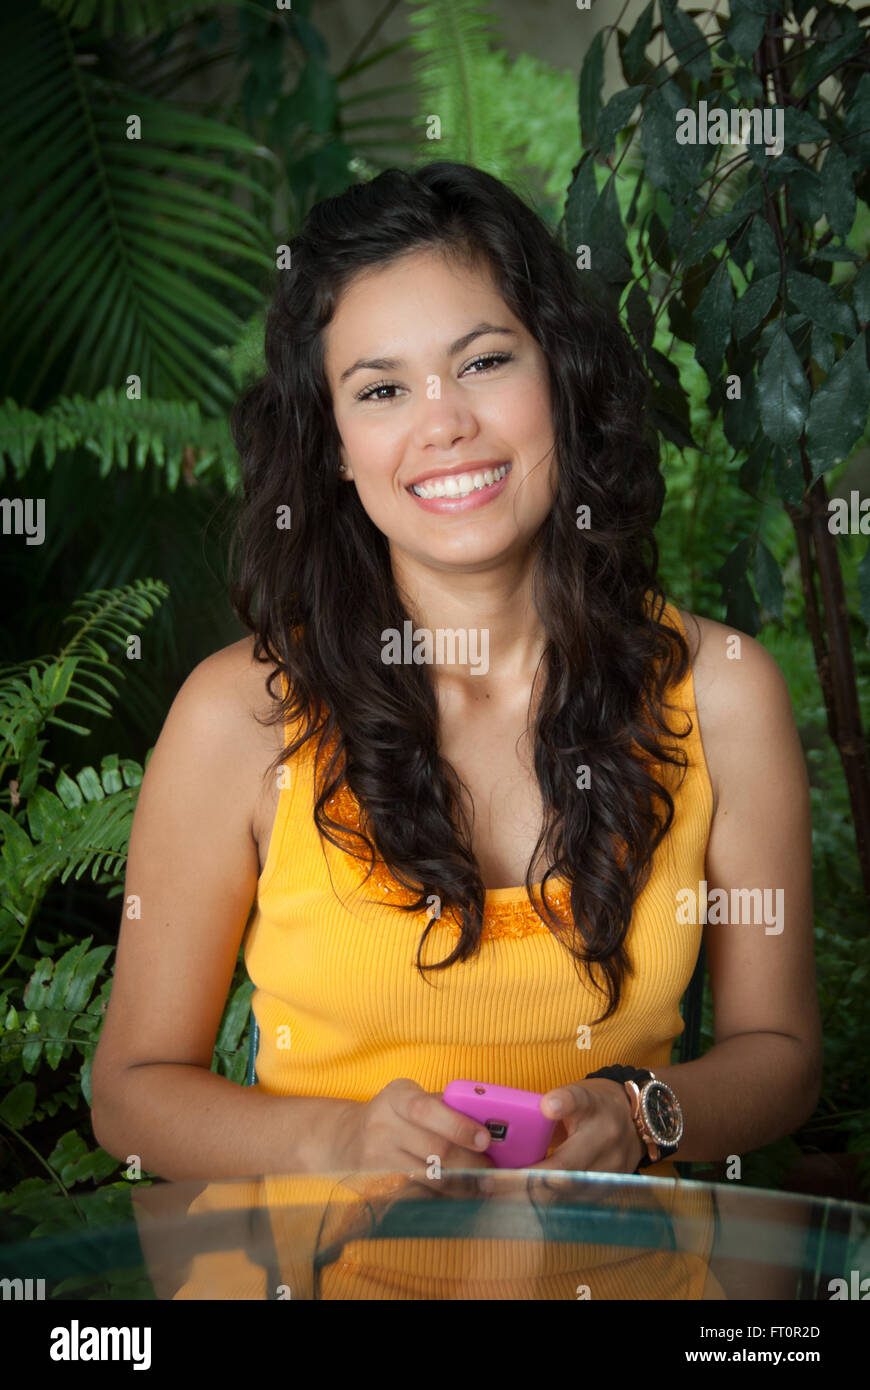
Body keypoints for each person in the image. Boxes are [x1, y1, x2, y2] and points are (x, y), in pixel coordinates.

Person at [90, 162, 821, 1298]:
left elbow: (780, 1060)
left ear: (561, 378)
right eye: (380, 390)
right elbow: (131, 1089)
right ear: (332, 440)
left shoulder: (723, 693)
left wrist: (641, 1112)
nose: (445, 424)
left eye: (484, 362)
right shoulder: (238, 716)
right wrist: (329, 1143)